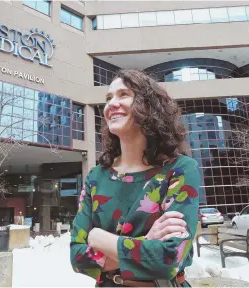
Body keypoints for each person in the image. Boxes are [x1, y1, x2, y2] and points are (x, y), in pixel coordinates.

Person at [70, 69, 200, 287]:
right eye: (109, 98)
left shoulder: (181, 169)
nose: (111, 104)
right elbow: (77, 258)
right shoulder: (96, 177)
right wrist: (147, 242)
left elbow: (169, 259)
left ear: (149, 106)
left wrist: (100, 239)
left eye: (123, 95)